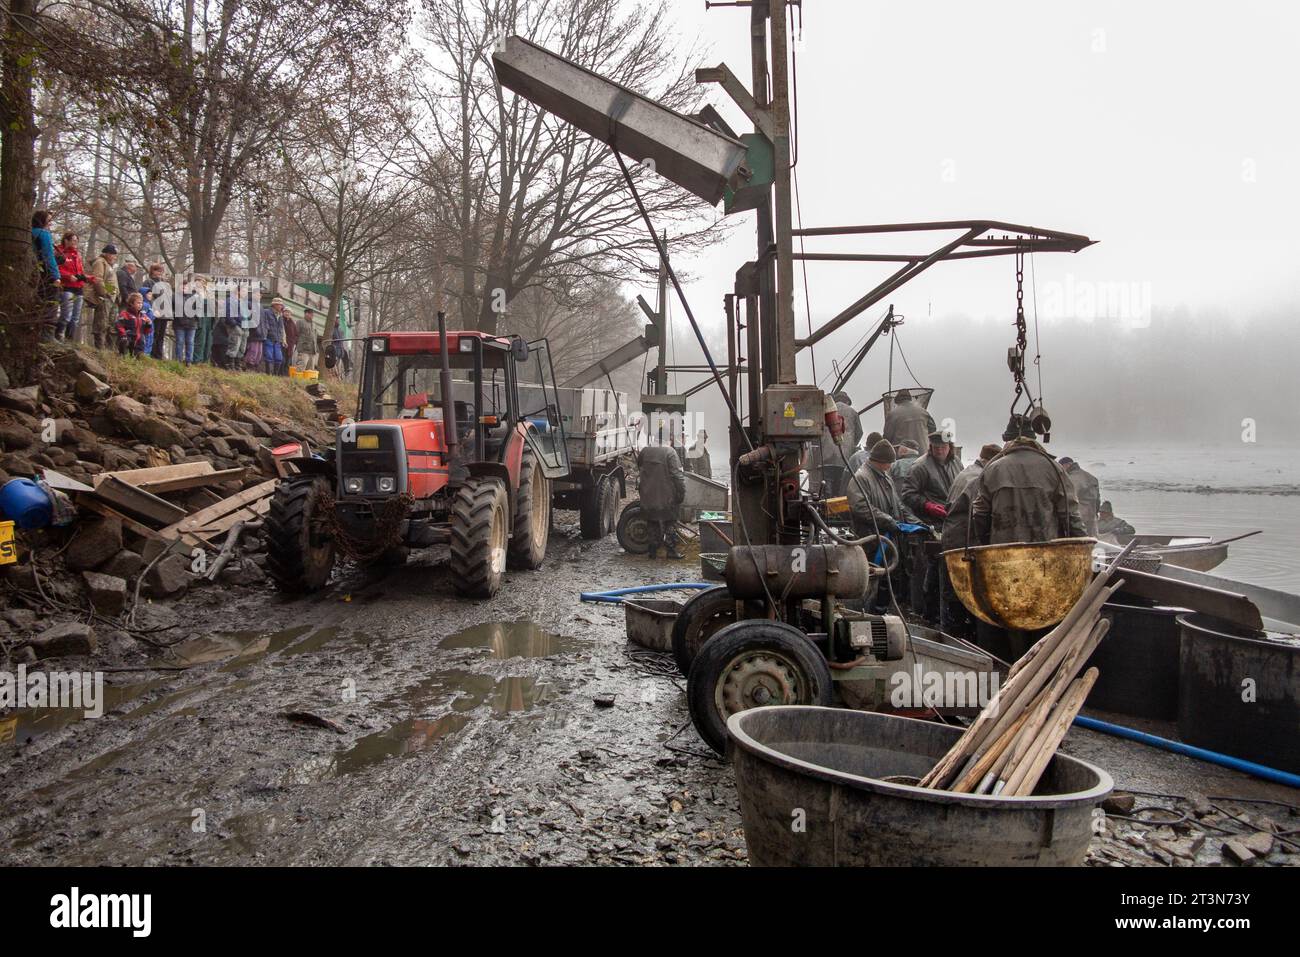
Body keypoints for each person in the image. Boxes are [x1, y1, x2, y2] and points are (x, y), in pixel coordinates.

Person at [970, 414, 1085, 547]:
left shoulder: (993, 469)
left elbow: (980, 515)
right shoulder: (1054, 468)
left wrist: (981, 545)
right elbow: (1070, 515)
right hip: (1046, 553)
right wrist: (1084, 546)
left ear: (1008, 440)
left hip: (1002, 555)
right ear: (1033, 439)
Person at [939, 443, 1003, 640]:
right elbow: (979, 516)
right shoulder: (979, 478)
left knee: (952, 593)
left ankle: (953, 636)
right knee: (962, 595)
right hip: (961, 542)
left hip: (953, 538)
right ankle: (958, 641)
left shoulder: (968, 472)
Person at [903, 430, 965, 622]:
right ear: (930, 447)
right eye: (935, 447)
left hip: (952, 523)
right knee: (930, 570)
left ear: (950, 447)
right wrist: (927, 505)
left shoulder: (957, 464)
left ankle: (948, 613)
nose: (939, 450)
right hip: (930, 525)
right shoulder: (920, 467)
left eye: (943, 447)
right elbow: (907, 494)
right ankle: (928, 613)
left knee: (949, 569)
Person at [637, 443, 686, 559]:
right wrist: (681, 492)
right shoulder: (670, 452)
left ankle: (652, 551)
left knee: (652, 521)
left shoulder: (645, 451)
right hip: (667, 495)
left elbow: (639, 465)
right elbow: (677, 475)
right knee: (670, 522)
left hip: (648, 494)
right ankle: (671, 551)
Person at [31, 211, 61, 341]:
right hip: (45, 274)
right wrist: (56, 276)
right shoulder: (44, 234)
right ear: (41, 221)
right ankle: (47, 335)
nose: (50, 223)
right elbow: (48, 256)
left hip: (33, 271)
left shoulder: (30, 233)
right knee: (51, 302)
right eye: (48, 220)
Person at [83, 243, 119, 349]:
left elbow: (109, 282)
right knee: (101, 323)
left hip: (112, 298)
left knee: (111, 324)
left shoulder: (108, 264)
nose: (115, 257)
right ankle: (99, 348)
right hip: (104, 298)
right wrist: (105, 293)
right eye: (113, 254)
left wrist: (115, 293)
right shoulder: (100, 262)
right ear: (107, 254)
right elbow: (98, 279)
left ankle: (108, 349)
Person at [883, 388, 935, 455]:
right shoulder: (923, 411)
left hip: (902, 456)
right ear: (910, 399)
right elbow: (933, 429)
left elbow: (887, 437)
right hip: (923, 454)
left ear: (897, 401)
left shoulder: (893, 414)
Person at [54, 231, 85, 342]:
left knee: (75, 317)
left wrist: (86, 278)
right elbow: (55, 269)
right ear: (66, 240)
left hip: (79, 288)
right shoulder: (59, 252)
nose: (75, 242)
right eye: (73, 240)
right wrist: (68, 276)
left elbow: (80, 270)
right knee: (66, 314)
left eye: (77, 240)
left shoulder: (77, 254)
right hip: (66, 286)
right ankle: (58, 336)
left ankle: (69, 340)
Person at [1059, 456, 1101, 536]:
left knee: (1080, 540)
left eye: (1061, 466)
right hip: (1092, 514)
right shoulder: (1091, 477)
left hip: (1079, 515)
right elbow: (1098, 499)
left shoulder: (1071, 478)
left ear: (1068, 464)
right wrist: (1095, 512)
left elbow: (1069, 499)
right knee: (1092, 540)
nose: (1061, 469)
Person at [142, 263, 172, 360]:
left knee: (161, 335)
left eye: (161, 271)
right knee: (154, 333)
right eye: (157, 270)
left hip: (165, 313)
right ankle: (151, 354)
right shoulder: (148, 282)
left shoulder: (165, 284)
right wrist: (152, 310)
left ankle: (159, 355)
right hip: (155, 312)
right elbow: (147, 297)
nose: (159, 273)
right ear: (152, 271)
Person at [114, 292, 152, 357]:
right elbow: (119, 325)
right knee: (124, 341)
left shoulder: (143, 316)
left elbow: (146, 332)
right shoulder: (125, 314)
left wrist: (149, 324)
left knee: (139, 355)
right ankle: (122, 355)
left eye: (141, 303)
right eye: (138, 303)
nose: (140, 305)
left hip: (139, 341)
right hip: (128, 338)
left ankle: (138, 357)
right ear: (131, 304)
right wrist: (123, 334)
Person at [259, 297, 287, 375]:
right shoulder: (267, 312)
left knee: (279, 358)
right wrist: (265, 335)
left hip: (278, 340)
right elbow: (264, 324)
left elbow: (281, 328)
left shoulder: (280, 315)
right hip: (268, 338)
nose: (281, 307)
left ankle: (275, 375)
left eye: (281, 305)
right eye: (279, 305)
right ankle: (268, 374)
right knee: (269, 357)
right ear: (274, 305)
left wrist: (283, 339)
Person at [172, 288, 197, 365]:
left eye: (186, 287)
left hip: (192, 323)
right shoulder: (175, 297)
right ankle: (178, 360)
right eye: (182, 287)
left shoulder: (194, 297)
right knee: (180, 341)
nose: (184, 289)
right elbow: (173, 308)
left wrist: (195, 318)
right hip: (179, 324)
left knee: (190, 342)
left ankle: (188, 360)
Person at [282, 305, 299, 374]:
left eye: (288, 312)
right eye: (286, 312)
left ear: (291, 314)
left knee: (288, 360)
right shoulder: (281, 320)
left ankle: (285, 374)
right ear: (283, 313)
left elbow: (296, 334)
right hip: (283, 343)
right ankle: (279, 373)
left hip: (291, 345)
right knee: (282, 359)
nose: (287, 313)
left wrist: (294, 342)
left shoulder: (293, 323)